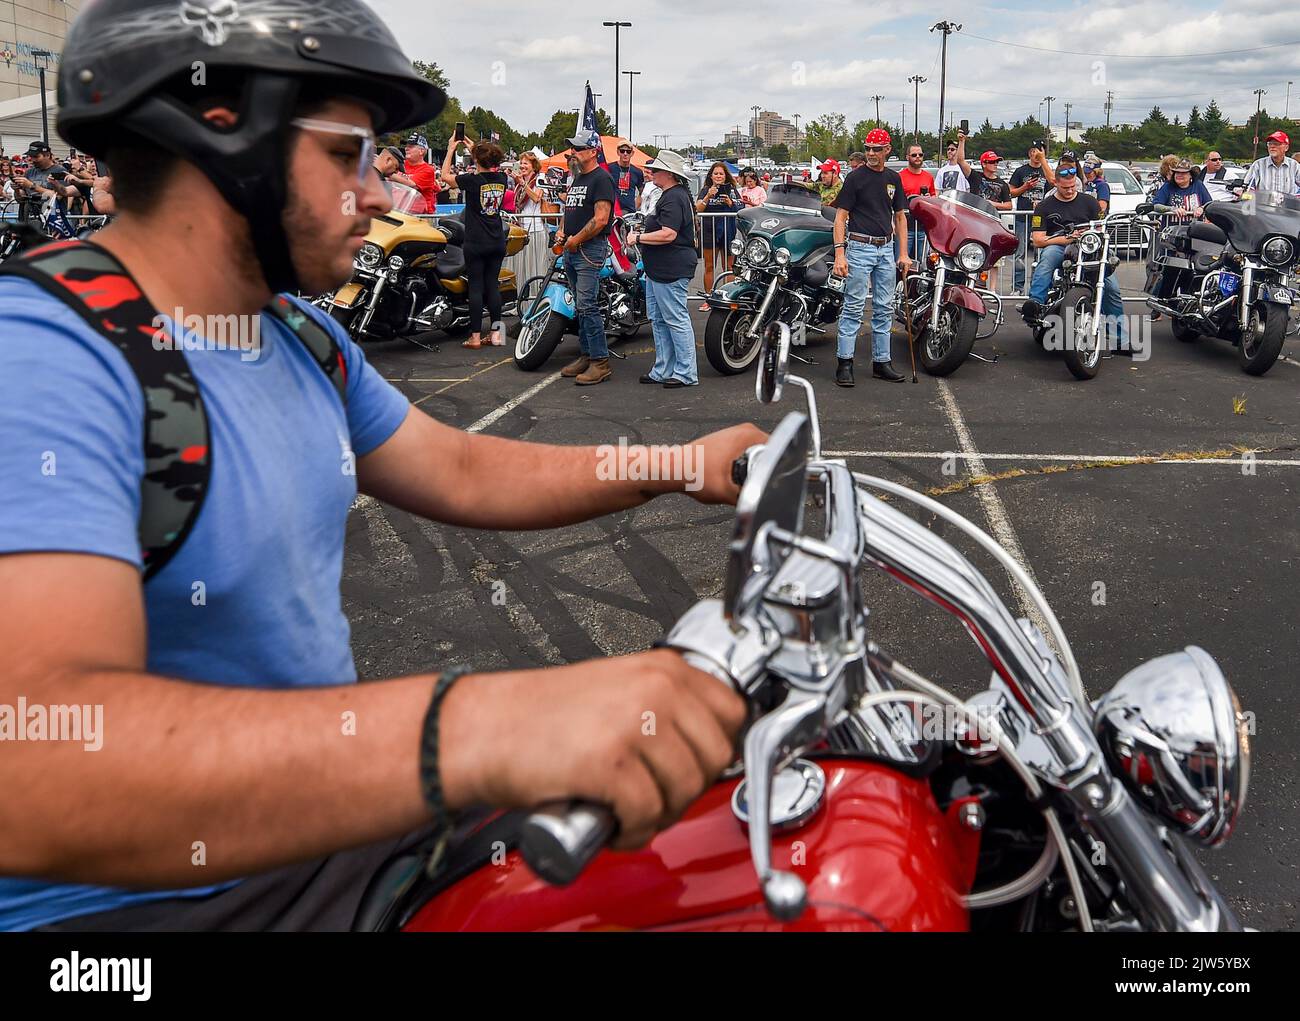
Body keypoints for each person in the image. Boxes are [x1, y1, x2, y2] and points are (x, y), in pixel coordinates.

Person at [0, 0, 757, 934]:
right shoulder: (42, 353)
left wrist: (678, 461)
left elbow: (466, 469)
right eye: (346, 153)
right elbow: (34, 764)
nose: (382, 192)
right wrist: (479, 729)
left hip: (325, 830)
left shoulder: (301, 335)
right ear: (221, 138)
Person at [830, 127, 909, 386]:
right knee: (853, 306)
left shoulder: (893, 178)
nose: (872, 153)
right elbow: (841, 217)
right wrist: (840, 254)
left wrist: (904, 253)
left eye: (877, 149)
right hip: (860, 247)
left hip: (885, 248)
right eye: (868, 148)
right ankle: (845, 363)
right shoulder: (855, 178)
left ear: (888, 150)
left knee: (884, 308)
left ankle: (881, 362)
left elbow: (900, 217)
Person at [1020, 164, 1128, 354]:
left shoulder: (1090, 202)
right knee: (1046, 260)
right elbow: (1037, 240)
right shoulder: (1044, 206)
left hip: (1088, 247)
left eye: (1073, 187)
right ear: (1056, 183)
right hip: (1059, 245)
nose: (1070, 191)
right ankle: (1035, 304)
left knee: (1111, 286)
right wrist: (1069, 238)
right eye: (1065, 187)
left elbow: (1101, 229)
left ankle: (1120, 339)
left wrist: (1088, 234)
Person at [626, 150, 699, 388]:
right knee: (658, 319)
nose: (651, 172)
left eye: (655, 169)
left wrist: (638, 237)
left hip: (670, 267)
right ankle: (665, 368)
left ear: (668, 173)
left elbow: (669, 233)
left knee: (674, 319)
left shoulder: (674, 197)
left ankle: (685, 371)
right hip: (661, 268)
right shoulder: (673, 195)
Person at [554, 133, 619, 384]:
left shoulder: (602, 178)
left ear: (593, 151)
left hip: (588, 249)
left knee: (587, 306)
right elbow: (570, 209)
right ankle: (587, 354)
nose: (573, 152)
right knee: (580, 306)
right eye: (572, 147)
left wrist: (576, 239)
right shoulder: (580, 177)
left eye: (579, 148)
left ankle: (600, 361)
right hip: (574, 247)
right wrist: (562, 230)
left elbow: (601, 218)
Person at [442, 137, 509, 349]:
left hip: (476, 241)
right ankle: (497, 334)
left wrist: (451, 148)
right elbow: (486, 164)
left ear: (476, 160)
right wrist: (476, 150)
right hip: (497, 239)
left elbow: (445, 176)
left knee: (476, 287)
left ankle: (475, 336)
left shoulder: (472, 181)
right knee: (493, 286)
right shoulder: (502, 178)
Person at [1008, 140, 1056, 295]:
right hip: (1023, 216)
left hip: (1040, 218)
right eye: (1034, 151)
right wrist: (1025, 187)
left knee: (1040, 253)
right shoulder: (1021, 171)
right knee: (1020, 253)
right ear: (1030, 153)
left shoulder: (1046, 171)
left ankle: (1036, 287)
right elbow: (1011, 192)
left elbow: (1053, 191)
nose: (1037, 154)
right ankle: (1018, 287)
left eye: (1040, 151)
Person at [695, 161, 740, 310]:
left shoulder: (732, 190)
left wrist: (730, 202)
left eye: (721, 173)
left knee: (728, 266)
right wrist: (708, 196)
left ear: (725, 175)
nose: (719, 176)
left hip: (728, 231)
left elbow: (740, 208)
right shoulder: (706, 189)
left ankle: (729, 298)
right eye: (716, 173)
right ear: (711, 176)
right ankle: (709, 299)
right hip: (709, 230)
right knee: (709, 266)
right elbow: (698, 209)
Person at [897, 142, 935, 264]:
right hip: (905, 226)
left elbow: (934, 198)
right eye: (914, 155)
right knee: (902, 264)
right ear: (907, 157)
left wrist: (929, 198)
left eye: (920, 154)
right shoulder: (899, 176)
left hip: (923, 228)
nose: (917, 157)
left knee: (923, 263)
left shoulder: (928, 177)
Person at [392, 132, 439, 212]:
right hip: (400, 211)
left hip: (421, 216)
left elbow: (412, 184)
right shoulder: (399, 164)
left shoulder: (428, 170)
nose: (406, 148)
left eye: (411, 146)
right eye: (406, 146)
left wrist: (389, 173)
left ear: (421, 151)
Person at [1244, 130, 1300, 194]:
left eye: (1276, 144)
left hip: (1288, 203)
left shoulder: (1295, 166)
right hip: (1262, 203)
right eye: (1270, 144)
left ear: (1286, 148)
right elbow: (1248, 187)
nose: (1272, 146)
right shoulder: (1258, 165)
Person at [513, 152, 548, 236]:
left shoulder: (540, 179)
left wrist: (523, 184)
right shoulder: (520, 182)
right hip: (521, 227)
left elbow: (536, 198)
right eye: (521, 163)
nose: (522, 166)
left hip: (535, 228)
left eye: (525, 163)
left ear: (533, 166)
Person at [607, 141, 644, 212]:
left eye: (628, 151)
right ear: (618, 152)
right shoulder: (609, 168)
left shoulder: (637, 172)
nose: (625, 154)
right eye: (622, 151)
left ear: (632, 153)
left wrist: (635, 206)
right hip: (612, 210)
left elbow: (642, 192)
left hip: (629, 212)